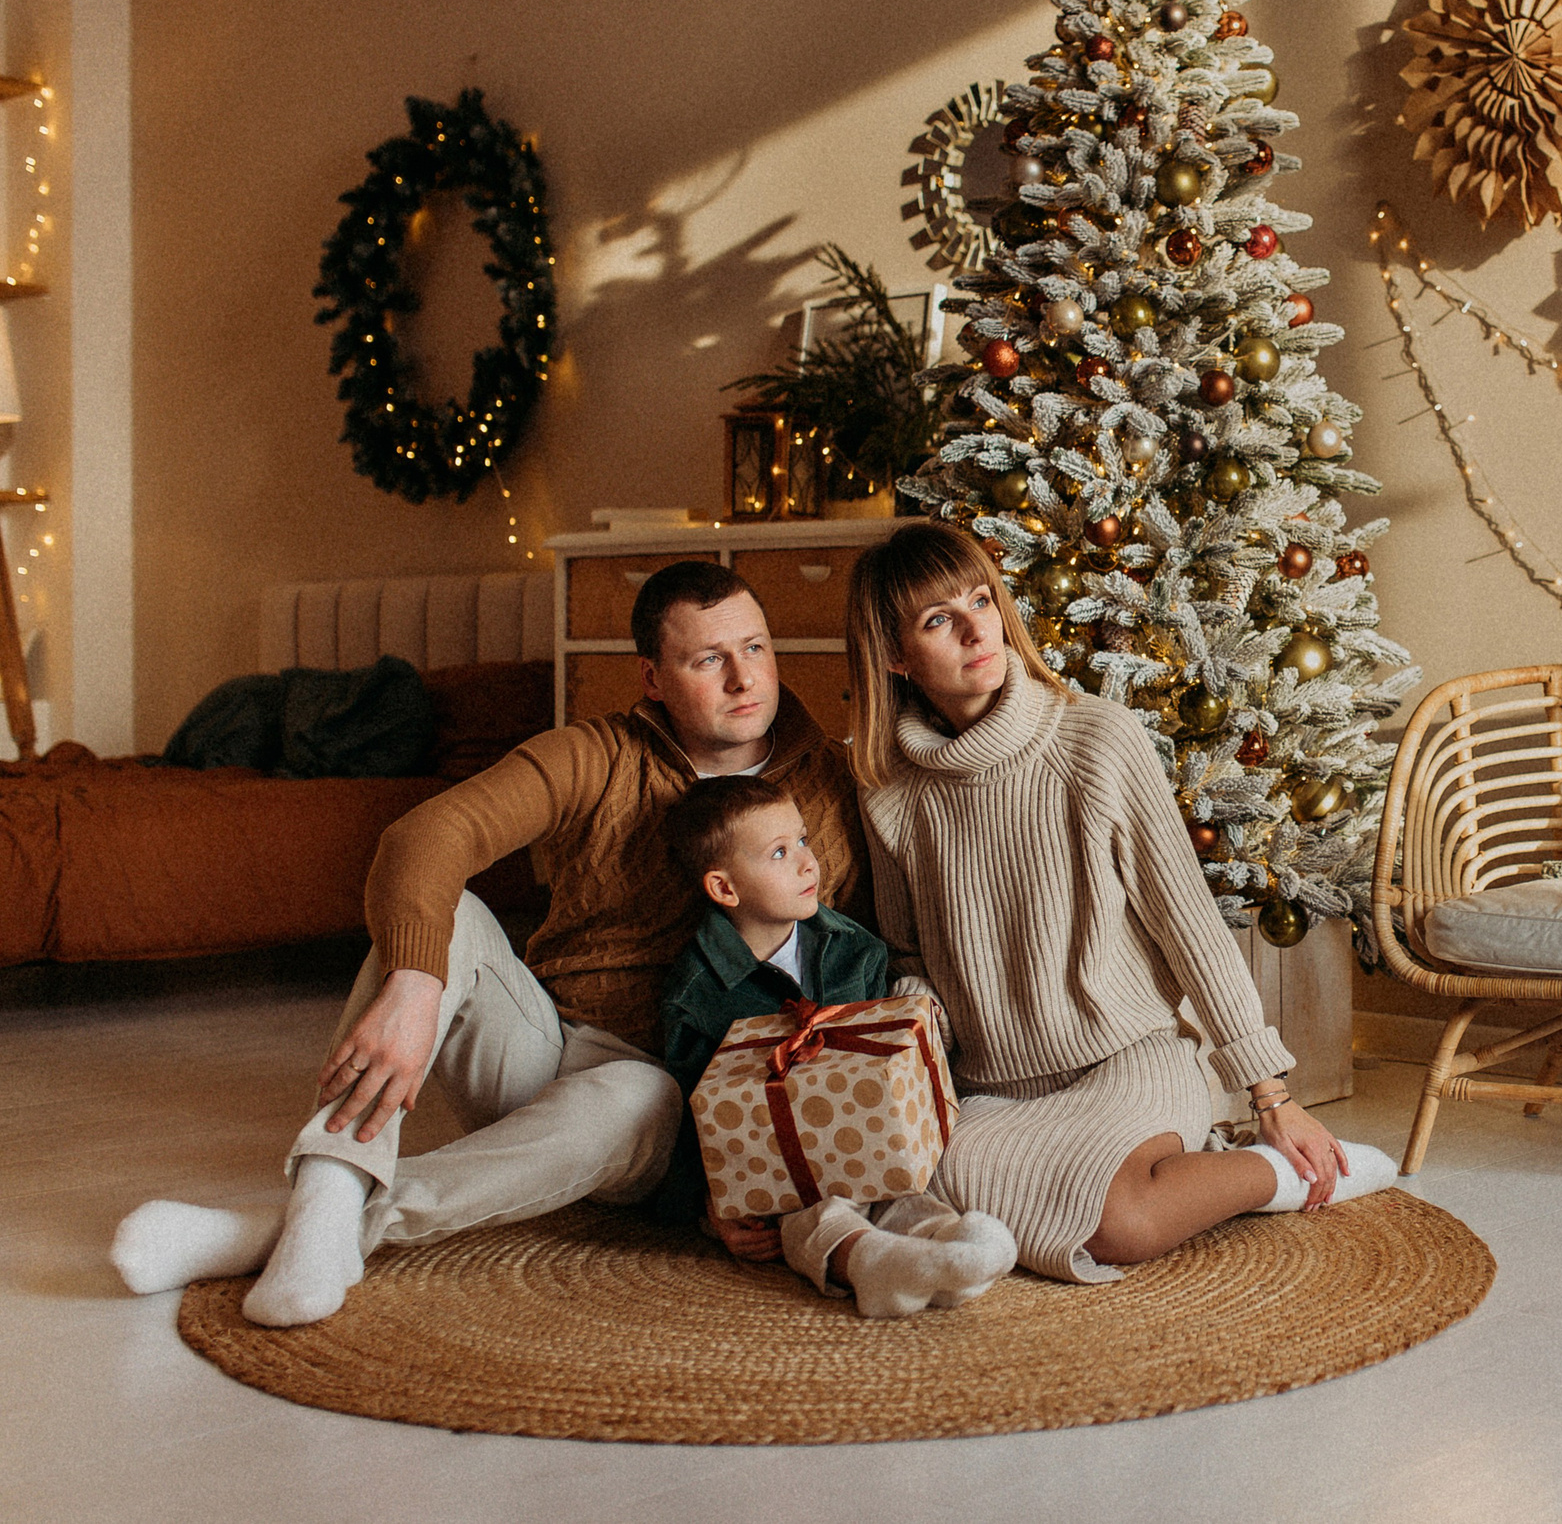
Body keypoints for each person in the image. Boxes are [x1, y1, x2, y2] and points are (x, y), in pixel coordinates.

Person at [111, 562, 871, 1326]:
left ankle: (292, 1227)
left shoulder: (826, 783)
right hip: (543, 1043)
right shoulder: (596, 753)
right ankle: (329, 1188)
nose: (743, 678)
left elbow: (853, 967)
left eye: (755, 648)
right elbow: (428, 833)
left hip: (670, 1102)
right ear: (652, 676)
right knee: (450, 915)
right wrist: (415, 980)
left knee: (641, 1095)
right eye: (707, 659)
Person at [843, 521, 1399, 1286]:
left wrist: (1272, 1092)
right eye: (940, 618)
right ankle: (1175, 1162)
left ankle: (1276, 1172)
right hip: (998, 1085)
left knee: (1121, 1224)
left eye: (982, 599)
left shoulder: (1094, 740)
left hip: (1125, 1057)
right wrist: (917, 1025)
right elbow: (907, 952)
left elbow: (1190, 927)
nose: (980, 628)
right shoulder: (891, 792)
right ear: (896, 657)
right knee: (924, 1183)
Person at [657, 774, 1014, 1316]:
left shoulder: (854, 949)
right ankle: (869, 1264)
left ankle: (947, 1246)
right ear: (725, 889)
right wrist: (710, 1212)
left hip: (864, 1143)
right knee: (809, 1213)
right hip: (775, 1177)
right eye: (779, 852)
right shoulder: (696, 993)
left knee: (900, 1187)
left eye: (802, 840)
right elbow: (687, 1117)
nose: (807, 862)